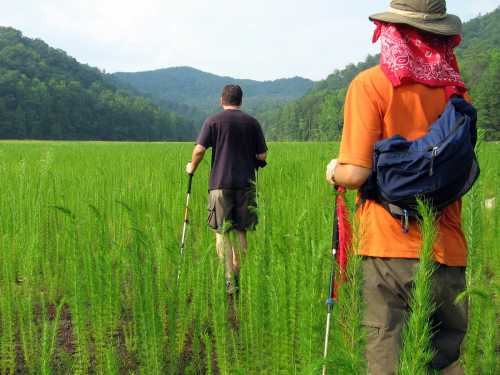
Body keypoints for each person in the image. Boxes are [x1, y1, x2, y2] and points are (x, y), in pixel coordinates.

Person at [326, 1, 468, 374]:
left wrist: (333, 170)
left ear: (394, 31)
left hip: (389, 253)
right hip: (448, 251)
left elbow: (355, 173)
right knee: (446, 362)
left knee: (387, 360)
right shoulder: (457, 94)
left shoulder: (371, 84)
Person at [186, 84, 268, 295]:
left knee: (221, 232)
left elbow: (199, 150)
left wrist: (191, 168)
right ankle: (238, 273)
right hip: (246, 185)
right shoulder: (252, 123)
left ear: (222, 100)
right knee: (241, 230)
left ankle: (229, 278)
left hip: (219, 185)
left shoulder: (213, 121)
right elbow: (262, 156)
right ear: (240, 100)